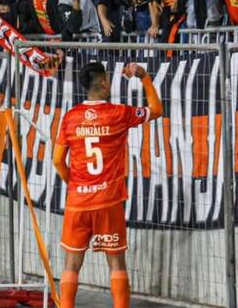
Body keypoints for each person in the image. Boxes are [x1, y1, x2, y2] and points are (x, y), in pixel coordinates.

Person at [53, 61, 162, 308]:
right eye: (108, 79)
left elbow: (57, 161)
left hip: (78, 203)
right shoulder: (118, 113)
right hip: (108, 202)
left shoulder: (70, 118)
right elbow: (156, 110)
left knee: (71, 263)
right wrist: (144, 77)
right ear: (103, 83)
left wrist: (76, 186)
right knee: (116, 263)